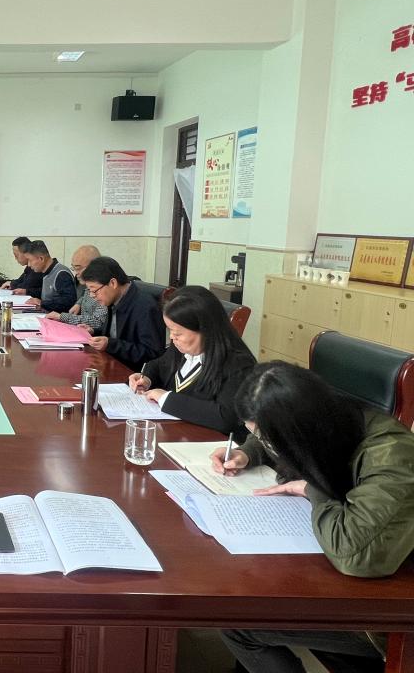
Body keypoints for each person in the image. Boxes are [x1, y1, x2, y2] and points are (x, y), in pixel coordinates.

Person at [213, 361, 414, 672]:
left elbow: (354, 555)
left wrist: (311, 490)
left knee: (240, 623)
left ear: (297, 430)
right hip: (346, 581)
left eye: (267, 438)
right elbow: (280, 438)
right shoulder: (330, 417)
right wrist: (248, 452)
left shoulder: (391, 454)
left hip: (391, 610)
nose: (266, 444)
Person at [128, 286, 255, 435]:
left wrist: (165, 398)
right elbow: (160, 365)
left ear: (205, 330)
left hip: (207, 443)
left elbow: (226, 417)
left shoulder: (239, 364)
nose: (172, 337)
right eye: (170, 330)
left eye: (177, 333)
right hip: (175, 434)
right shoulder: (182, 348)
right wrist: (146, 378)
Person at [80, 256, 164, 371]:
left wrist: (110, 345)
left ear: (113, 283)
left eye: (94, 290)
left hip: (131, 373)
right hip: (109, 364)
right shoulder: (115, 298)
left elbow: (152, 354)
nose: (92, 295)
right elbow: (115, 332)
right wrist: (94, 331)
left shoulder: (145, 307)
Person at [44, 244, 108, 333]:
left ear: (94, 266)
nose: (76, 273)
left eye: (78, 268)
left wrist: (62, 317)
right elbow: (86, 293)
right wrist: (79, 303)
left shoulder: (104, 287)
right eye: (74, 268)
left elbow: (97, 321)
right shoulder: (90, 282)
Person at [20, 240, 77, 313]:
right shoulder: (45, 271)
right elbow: (48, 294)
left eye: (30, 260)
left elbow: (68, 301)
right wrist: (27, 291)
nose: (29, 265)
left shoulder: (61, 274)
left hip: (58, 318)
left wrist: (42, 303)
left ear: (41, 259)